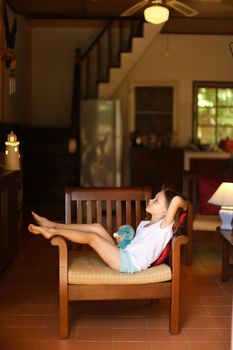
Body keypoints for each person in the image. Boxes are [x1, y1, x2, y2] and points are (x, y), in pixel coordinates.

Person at [28, 187, 187, 274]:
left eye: (156, 200)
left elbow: (178, 201)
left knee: (93, 237)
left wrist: (186, 208)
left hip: (128, 263)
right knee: (97, 227)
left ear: (166, 211)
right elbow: (138, 246)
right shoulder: (144, 224)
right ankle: (51, 224)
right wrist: (123, 242)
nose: (151, 200)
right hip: (123, 253)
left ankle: (53, 231)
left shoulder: (163, 228)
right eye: (153, 198)